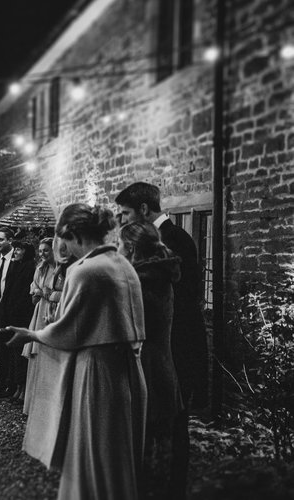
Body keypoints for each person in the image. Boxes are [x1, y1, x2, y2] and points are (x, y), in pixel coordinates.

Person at [5, 203, 147, 500]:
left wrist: (32, 334)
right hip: (129, 369)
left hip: (96, 371)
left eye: (65, 240)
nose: (65, 249)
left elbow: (67, 330)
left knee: (90, 451)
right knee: (118, 453)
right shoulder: (123, 265)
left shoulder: (86, 271)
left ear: (76, 235)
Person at [116, 182, 208, 500]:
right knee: (155, 430)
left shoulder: (174, 240)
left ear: (143, 210)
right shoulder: (151, 244)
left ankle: (171, 489)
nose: (122, 219)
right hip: (161, 346)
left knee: (173, 427)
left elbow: (185, 302)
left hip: (175, 346)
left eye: (125, 212)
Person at [119, 221, 184, 499]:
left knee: (142, 452)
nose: (117, 250)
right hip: (162, 367)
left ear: (131, 247)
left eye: (120, 244)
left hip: (145, 370)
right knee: (158, 446)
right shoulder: (159, 276)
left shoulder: (140, 283)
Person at [0, 229, 36, 399]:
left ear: (10, 240)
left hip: (9, 309)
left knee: (11, 346)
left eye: (1, 239)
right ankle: (2, 383)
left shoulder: (15, 262)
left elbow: (17, 287)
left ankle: (12, 384)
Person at [22, 238, 57, 412]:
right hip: (40, 310)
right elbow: (33, 296)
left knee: (50, 353)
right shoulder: (40, 269)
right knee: (37, 354)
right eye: (40, 251)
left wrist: (48, 294)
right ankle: (34, 404)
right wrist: (38, 293)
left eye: (46, 250)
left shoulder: (60, 269)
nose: (42, 254)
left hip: (54, 312)